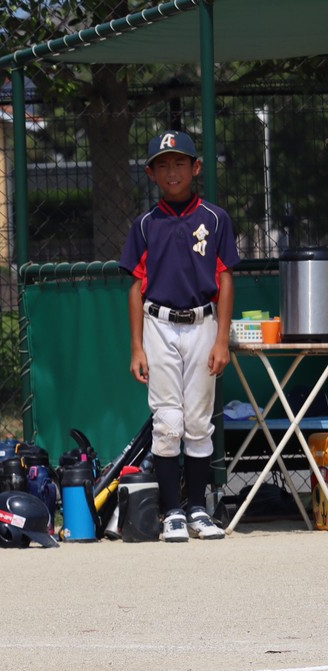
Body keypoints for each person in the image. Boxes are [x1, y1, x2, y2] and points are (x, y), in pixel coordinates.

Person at [120, 129, 236, 542]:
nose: (172, 172)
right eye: (163, 165)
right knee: (168, 421)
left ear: (196, 167)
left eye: (180, 163)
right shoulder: (146, 225)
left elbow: (224, 277)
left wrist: (222, 339)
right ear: (151, 173)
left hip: (203, 324)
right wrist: (137, 346)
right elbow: (135, 286)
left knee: (198, 422)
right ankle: (171, 511)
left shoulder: (215, 218)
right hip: (159, 325)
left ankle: (198, 509)